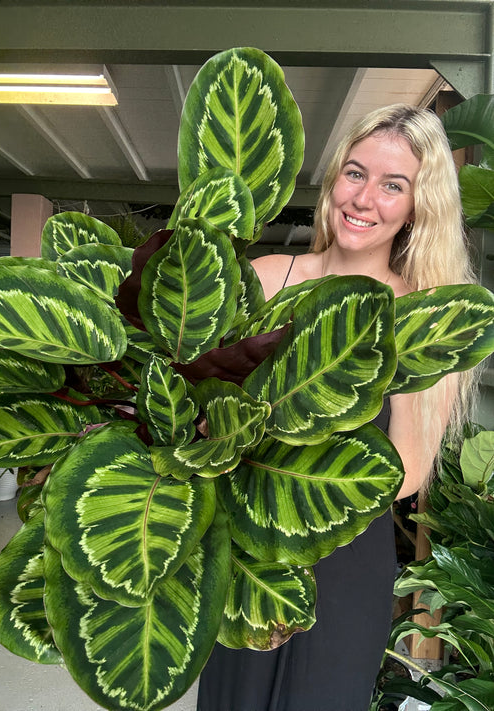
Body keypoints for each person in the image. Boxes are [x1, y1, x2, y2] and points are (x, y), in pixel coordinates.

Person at [197, 104, 477, 711]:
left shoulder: (417, 318)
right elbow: (198, 396)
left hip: (343, 557)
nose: (364, 197)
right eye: (355, 173)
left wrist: (293, 472)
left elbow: (408, 467)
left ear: (415, 207)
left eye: (392, 185)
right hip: (247, 551)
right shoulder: (264, 280)